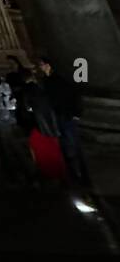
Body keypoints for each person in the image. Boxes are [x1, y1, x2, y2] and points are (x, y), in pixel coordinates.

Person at [38, 56, 90, 186]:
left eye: (41, 65)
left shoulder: (59, 80)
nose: (40, 67)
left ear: (48, 65)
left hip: (65, 115)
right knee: (66, 145)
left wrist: (76, 113)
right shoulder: (47, 80)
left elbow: (73, 96)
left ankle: (80, 175)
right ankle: (74, 174)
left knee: (72, 145)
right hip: (59, 116)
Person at [20, 66, 67, 184]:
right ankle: (58, 173)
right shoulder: (42, 90)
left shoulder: (28, 91)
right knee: (52, 149)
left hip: (39, 126)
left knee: (41, 151)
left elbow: (27, 108)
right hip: (49, 125)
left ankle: (47, 173)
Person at [0, 68, 36, 186]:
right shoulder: (0, 86)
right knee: (11, 145)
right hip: (6, 118)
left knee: (9, 145)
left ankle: (18, 172)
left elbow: (6, 103)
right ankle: (22, 171)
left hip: (4, 118)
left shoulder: (0, 86)